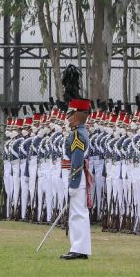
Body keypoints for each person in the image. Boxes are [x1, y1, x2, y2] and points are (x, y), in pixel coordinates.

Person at [61, 97, 92, 260]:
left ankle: (79, 248)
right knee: (77, 212)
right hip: (76, 177)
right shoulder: (78, 133)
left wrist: (73, 183)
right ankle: (79, 247)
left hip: (76, 178)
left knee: (78, 213)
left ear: (76, 116)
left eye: (69, 114)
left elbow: (77, 161)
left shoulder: (78, 135)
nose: (67, 118)